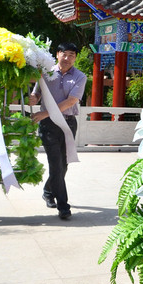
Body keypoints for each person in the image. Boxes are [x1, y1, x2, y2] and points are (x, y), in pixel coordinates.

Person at [29, 43, 86, 220]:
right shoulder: (45, 72)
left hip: (68, 123)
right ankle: (63, 206)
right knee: (56, 164)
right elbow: (37, 94)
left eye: (72, 55)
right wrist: (33, 98)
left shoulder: (80, 76)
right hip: (48, 125)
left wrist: (45, 112)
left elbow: (71, 101)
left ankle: (48, 191)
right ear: (57, 54)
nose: (67, 58)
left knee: (64, 163)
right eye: (64, 54)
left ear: (75, 58)